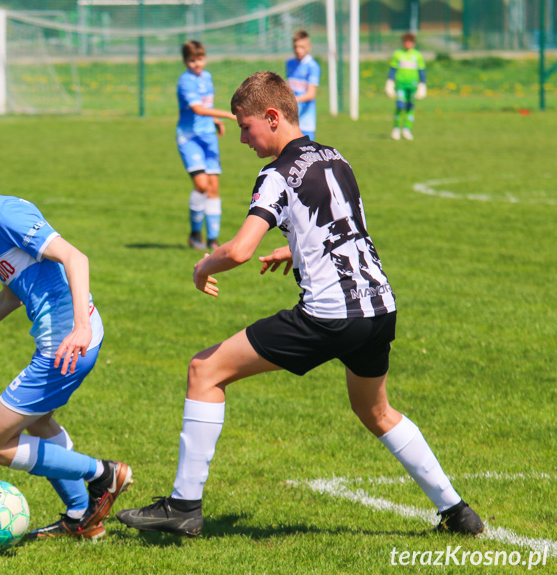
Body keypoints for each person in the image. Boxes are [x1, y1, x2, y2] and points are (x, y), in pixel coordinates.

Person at [116, 72, 484, 538]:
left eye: (246, 127)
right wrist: (294, 248)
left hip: (329, 314)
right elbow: (346, 226)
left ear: (272, 117)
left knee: (204, 370)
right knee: (376, 411)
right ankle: (458, 512)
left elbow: (240, 249)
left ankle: (184, 506)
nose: (243, 139)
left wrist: (203, 267)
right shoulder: (336, 157)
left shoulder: (275, 173)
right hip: (378, 307)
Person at [0, 146, 132, 541]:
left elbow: (75, 257)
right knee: (39, 421)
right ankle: (83, 516)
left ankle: (104, 474)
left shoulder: (6, 214)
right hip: (67, 343)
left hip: (64, 348)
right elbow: (11, 295)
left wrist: (79, 326)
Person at [176, 40, 238, 251]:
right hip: (190, 137)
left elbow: (207, 108)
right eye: (192, 60)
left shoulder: (207, 77)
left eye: (200, 59)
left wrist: (216, 121)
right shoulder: (185, 81)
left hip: (208, 136)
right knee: (201, 185)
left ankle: (213, 239)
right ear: (185, 61)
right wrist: (228, 115)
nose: (197, 64)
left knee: (213, 188)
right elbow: (198, 109)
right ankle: (195, 233)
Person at [385, 32, 427, 141]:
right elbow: (393, 69)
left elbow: (421, 71)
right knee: (400, 105)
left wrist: (422, 84)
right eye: (406, 41)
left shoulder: (417, 55)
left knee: (410, 107)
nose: (408, 44)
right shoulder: (398, 54)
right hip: (401, 84)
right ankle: (396, 129)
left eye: (410, 41)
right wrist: (390, 82)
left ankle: (407, 129)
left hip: (412, 85)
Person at [285, 29, 321, 141]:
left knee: (305, 155)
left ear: (309, 47)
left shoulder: (313, 66)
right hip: (290, 118)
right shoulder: (290, 63)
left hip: (306, 120)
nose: (298, 50)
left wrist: (292, 100)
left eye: (302, 47)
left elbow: (311, 94)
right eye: (296, 47)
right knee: (280, 154)